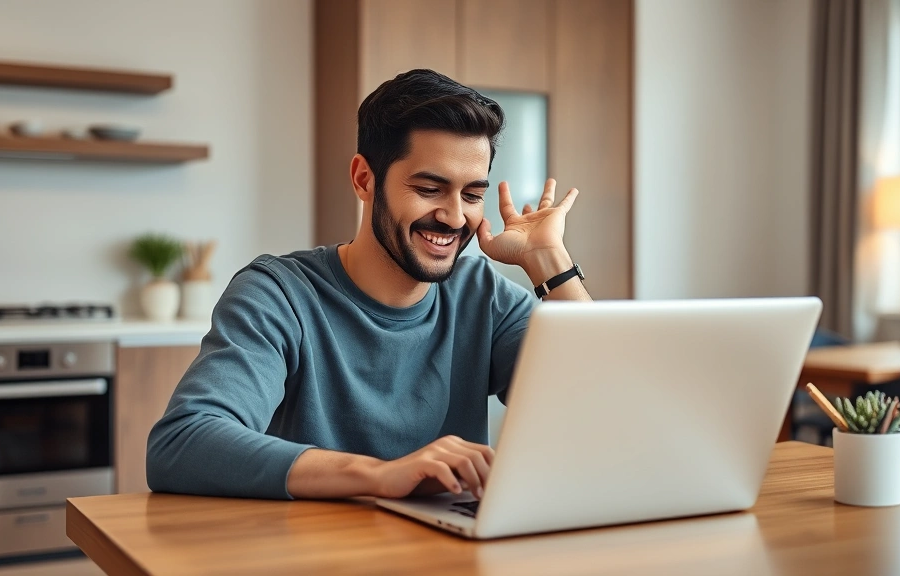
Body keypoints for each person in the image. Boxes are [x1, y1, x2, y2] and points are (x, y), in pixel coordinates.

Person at [146, 69, 592, 502]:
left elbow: (595, 411)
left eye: (472, 195)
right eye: (429, 188)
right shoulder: (278, 294)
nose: (456, 217)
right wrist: (379, 475)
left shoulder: (484, 297)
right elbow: (184, 441)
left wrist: (547, 259)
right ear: (364, 179)